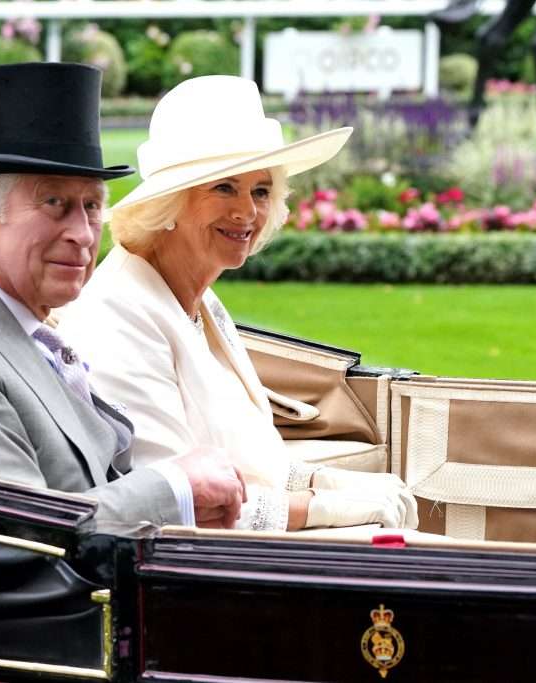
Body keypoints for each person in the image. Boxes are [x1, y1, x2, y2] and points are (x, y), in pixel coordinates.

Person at [0, 63, 246, 529]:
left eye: (91, 206)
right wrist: (175, 487)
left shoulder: (22, 327)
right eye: (54, 204)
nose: (82, 234)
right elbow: (23, 534)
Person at [63, 76, 418, 532]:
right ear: (170, 203)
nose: (247, 212)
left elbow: (249, 460)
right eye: (225, 188)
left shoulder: (199, 299)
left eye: (261, 190)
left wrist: (326, 480)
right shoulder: (118, 315)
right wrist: (324, 506)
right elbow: (180, 507)